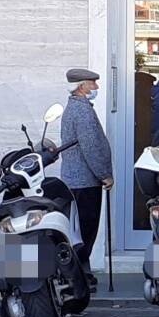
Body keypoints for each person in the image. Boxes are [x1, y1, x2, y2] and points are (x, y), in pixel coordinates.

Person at [61, 68, 114, 289]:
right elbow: (91, 147)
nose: (97, 88)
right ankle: (80, 275)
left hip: (76, 179)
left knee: (78, 229)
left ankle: (82, 273)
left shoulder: (74, 107)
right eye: (93, 83)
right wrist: (105, 175)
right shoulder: (82, 112)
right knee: (85, 230)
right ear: (82, 86)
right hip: (84, 180)